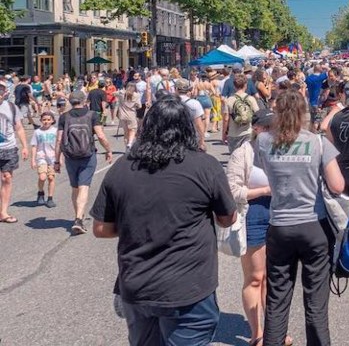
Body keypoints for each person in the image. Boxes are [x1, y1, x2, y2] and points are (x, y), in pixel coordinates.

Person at [91, 95, 237, 345]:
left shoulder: (123, 167)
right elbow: (227, 218)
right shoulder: (205, 166)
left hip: (138, 286)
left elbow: (101, 228)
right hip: (189, 288)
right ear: (187, 128)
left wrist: (135, 224)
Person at [254, 90, 345, 346]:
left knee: (277, 298)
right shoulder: (317, 143)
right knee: (316, 301)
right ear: (304, 113)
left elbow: (264, 168)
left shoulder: (263, 141)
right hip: (313, 224)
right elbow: (337, 185)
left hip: (280, 225)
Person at [226, 108, 288, 346]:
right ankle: (257, 333)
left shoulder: (282, 149)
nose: (277, 132)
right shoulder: (243, 153)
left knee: (275, 277)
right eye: (272, 128)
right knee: (255, 277)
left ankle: (276, 331)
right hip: (254, 214)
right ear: (259, 129)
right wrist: (263, 190)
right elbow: (232, 190)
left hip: (281, 215)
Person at [55, 91, 113, 235]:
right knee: (84, 187)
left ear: (70, 101)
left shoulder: (64, 117)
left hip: (70, 156)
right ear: (84, 100)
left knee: (75, 188)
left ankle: (78, 216)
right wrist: (108, 150)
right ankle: (79, 219)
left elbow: (59, 140)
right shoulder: (92, 115)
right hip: (87, 155)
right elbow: (100, 135)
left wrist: (57, 160)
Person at [0, 83, 28, 223]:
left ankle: (3, 212)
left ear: (5, 92)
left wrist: (24, 146)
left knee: (7, 178)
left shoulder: (11, 107)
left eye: (1, 89)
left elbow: (19, 128)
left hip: (9, 148)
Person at [223, 75, 260, 153]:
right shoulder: (251, 99)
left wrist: (224, 133)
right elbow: (257, 115)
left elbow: (226, 119)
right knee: (248, 155)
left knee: (235, 156)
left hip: (233, 133)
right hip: (248, 131)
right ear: (245, 85)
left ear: (234, 86)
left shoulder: (229, 100)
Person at [30, 110, 58, 207]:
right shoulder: (37, 132)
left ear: (52, 120)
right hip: (41, 157)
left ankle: (50, 198)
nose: (46, 121)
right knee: (42, 177)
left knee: (51, 177)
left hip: (53, 158)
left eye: (48, 120)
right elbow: (34, 146)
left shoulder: (55, 131)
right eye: (44, 120)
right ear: (41, 120)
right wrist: (33, 160)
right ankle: (40, 193)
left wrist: (60, 159)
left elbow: (59, 146)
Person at [175, 78, 207, 150]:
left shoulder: (171, 102)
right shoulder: (194, 103)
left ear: (176, 89)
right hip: (191, 137)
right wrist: (202, 140)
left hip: (175, 138)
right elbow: (199, 124)